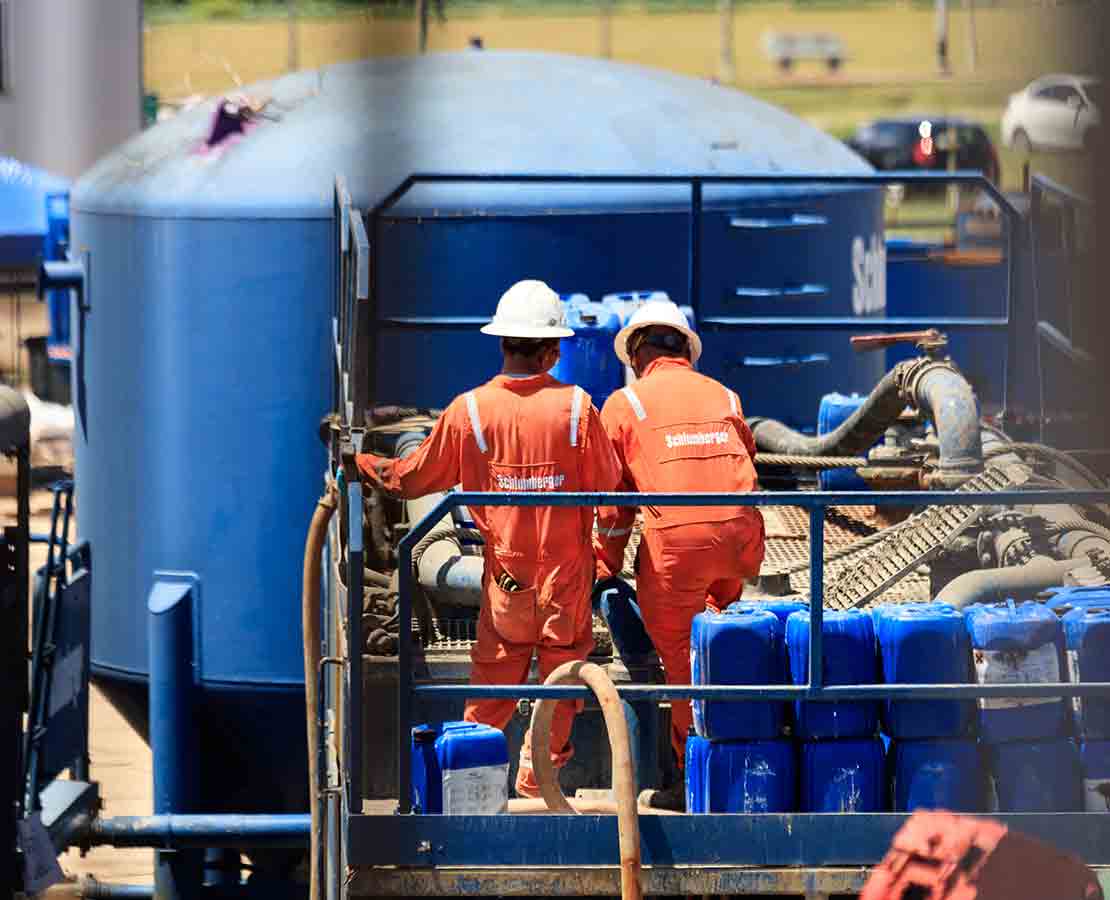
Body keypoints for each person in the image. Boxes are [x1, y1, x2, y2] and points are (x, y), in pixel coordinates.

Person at [356, 279, 622, 798]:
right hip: (565, 584)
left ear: (502, 343)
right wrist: (602, 555)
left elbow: (412, 479)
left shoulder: (469, 410)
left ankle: (467, 793)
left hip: (505, 584)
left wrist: (363, 464)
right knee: (564, 685)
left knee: (489, 696)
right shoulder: (577, 409)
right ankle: (535, 784)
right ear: (551, 351)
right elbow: (612, 488)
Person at [592, 299, 765, 811]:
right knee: (723, 641)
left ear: (638, 353)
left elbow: (613, 506)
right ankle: (751, 752)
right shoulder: (725, 394)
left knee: (687, 666)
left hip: (679, 549)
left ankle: (695, 783)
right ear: (684, 349)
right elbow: (745, 460)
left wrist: (604, 565)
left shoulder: (626, 405)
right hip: (740, 540)